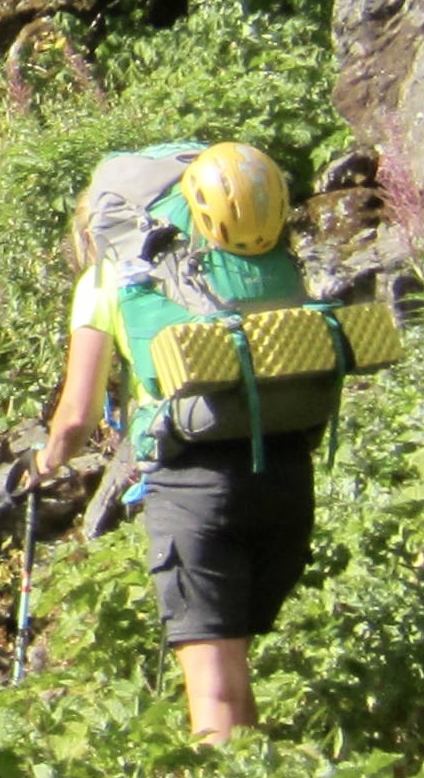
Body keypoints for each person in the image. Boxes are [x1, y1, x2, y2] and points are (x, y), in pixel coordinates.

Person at [35, 142, 321, 743]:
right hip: (285, 470)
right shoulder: (248, 260)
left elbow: (76, 418)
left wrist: (44, 464)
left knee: (213, 691)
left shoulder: (108, 279)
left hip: (193, 484)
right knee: (235, 672)